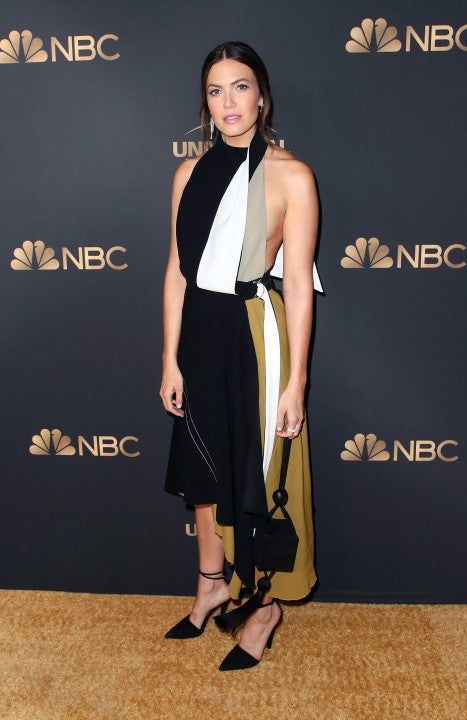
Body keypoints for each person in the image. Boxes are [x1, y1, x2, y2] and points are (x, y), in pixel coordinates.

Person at [160, 40, 322, 671]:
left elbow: (299, 283)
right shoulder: (187, 174)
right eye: (215, 90)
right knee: (202, 468)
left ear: (263, 97)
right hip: (199, 333)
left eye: (241, 86)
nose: (228, 102)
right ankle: (211, 584)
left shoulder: (292, 176)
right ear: (204, 103)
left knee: (258, 473)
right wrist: (169, 358)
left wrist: (295, 383)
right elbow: (177, 272)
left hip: (255, 335)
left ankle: (264, 608)